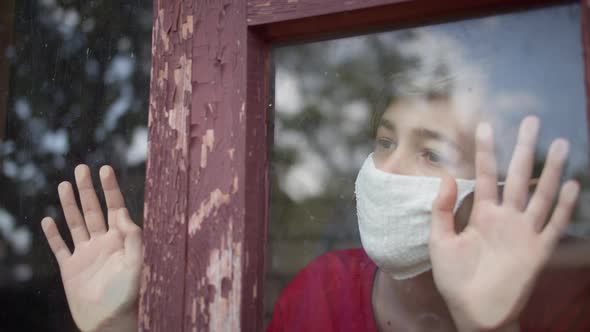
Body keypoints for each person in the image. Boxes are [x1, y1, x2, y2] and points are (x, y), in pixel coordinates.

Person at [41, 92, 589, 331]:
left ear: (503, 188)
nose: (384, 170)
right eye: (382, 141)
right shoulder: (322, 289)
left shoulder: (566, 305)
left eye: (430, 152)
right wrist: (117, 326)